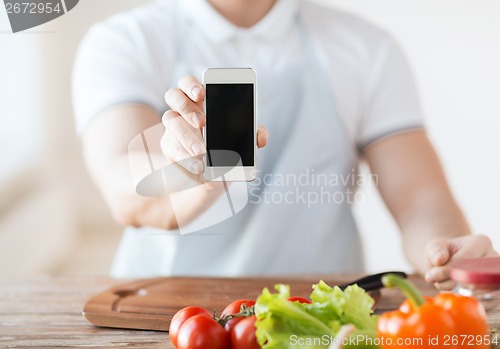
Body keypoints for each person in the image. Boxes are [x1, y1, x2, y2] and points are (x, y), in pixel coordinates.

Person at [72, 0, 497, 289]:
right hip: (164, 321)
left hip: (321, 317)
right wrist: (191, 179)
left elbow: (421, 200)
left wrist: (445, 251)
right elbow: (124, 190)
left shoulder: (367, 49)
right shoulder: (123, 42)